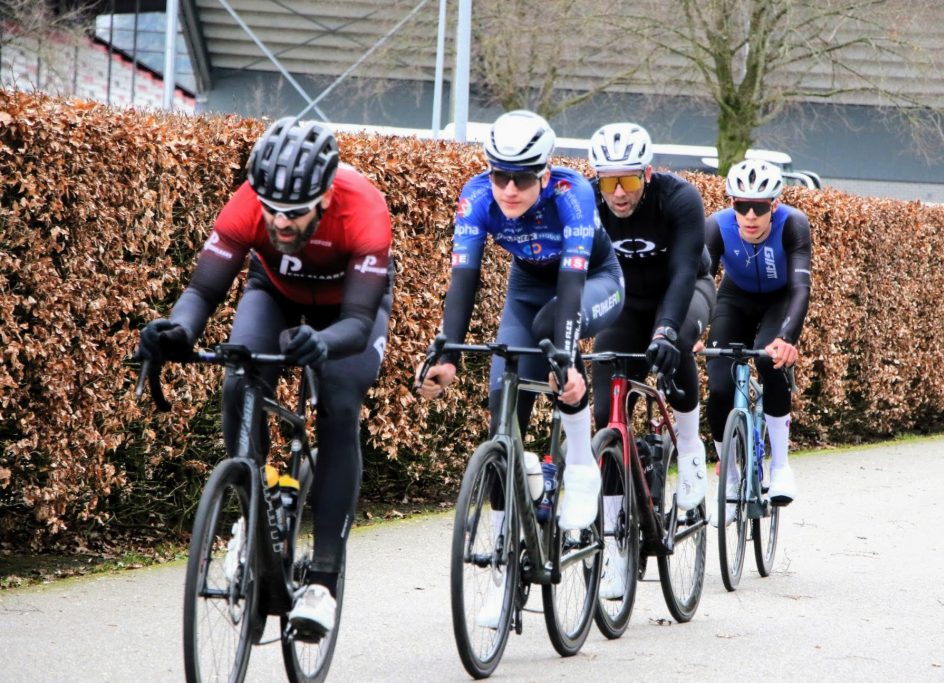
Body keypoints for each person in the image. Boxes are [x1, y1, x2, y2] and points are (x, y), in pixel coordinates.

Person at [135, 117, 395, 638]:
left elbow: (358, 322)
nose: (280, 221)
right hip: (275, 292)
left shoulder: (364, 209)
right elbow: (203, 291)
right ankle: (255, 511)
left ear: (325, 197)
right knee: (240, 378)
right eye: (271, 208)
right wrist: (179, 331)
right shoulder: (247, 204)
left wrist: (324, 344)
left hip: (346, 311)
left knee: (340, 406)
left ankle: (323, 580)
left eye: (294, 212)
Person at [415, 110, 625, 626]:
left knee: (555, 343)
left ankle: (581, 466)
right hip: (527, 289)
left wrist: (567, 359)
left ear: (545, 174)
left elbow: (572, 286)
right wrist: (447, 355)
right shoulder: (477, 197)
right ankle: (504, 567)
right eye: (500, 175)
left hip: (592, 281)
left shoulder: (572, 193)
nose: (509, 189)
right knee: (502, 415)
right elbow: (463, 279)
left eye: (523, 179)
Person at [587, 122, 716, 599]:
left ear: (646, 173)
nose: (618, 193)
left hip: (683, 291)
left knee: (675, 343)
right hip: (624, 303)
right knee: (606, 409)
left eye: (628, 180)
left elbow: (683, 272)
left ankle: (690, 449)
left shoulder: (679, 198)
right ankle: (614, 546)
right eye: (608, 181)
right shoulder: (587, 202)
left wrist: (664, 331)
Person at [704, 159, 811, 526]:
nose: (750, 216)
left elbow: (801, 287)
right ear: (731, 203)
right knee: (719, 386)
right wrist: (688, 331)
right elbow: (701, 283)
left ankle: (780, 466)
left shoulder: (793, 224)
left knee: (769, 360)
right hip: (734, 299)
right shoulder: (716, 227)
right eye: (741, 206)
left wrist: (786, 338)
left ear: (774, 206)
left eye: (759, 207)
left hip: (779, 300)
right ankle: (731, 481)